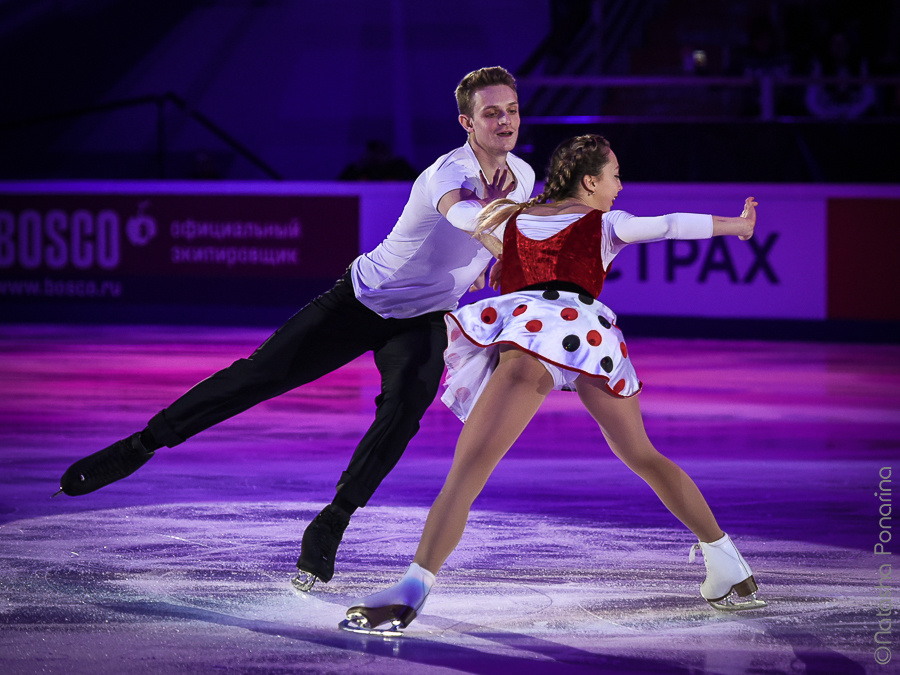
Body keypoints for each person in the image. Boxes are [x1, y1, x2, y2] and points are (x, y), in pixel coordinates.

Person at [55, 66, 536, 591]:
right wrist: (505, 243)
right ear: (467, 122)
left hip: (424, 318)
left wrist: (497, 262)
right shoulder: (447, 172)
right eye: (492, 112)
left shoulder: (524, 177)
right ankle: (142, 444)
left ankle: (332, 521)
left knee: (405, 409)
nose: (505, 121)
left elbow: (488, 241)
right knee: (256, 377)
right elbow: (466, 217)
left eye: (511, 110)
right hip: (361, 300)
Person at [341, 134, 766, 636]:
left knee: (467, 473)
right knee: (642, 455)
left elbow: (471, 229)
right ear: (589, 181)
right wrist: (738, 225)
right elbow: (670, 225)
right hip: (588, 341)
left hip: (533, 340)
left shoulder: (513, 217)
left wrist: (488, 252)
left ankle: (410, 592)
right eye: (614, 176)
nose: (619, 186)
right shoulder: (607, 223)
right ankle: (729, 565)